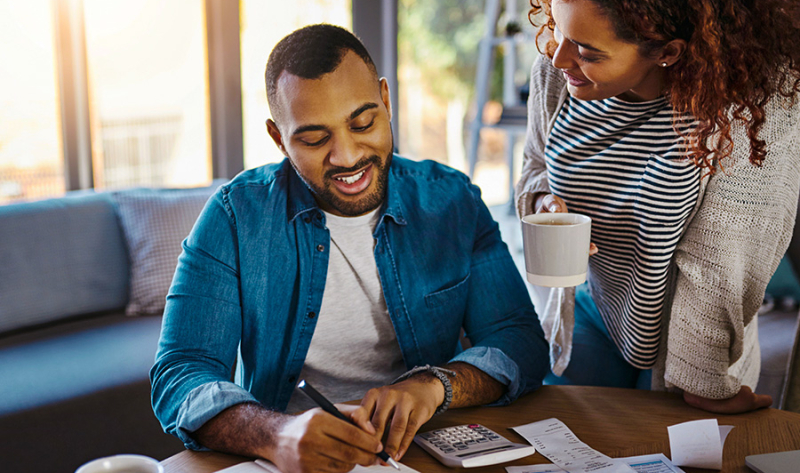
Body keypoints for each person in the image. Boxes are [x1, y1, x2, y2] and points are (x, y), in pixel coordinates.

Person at [151, 24, 548, 473]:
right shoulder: (235, 215)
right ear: (279, 138)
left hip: (421, 453)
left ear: (386, 100)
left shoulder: (452, 201)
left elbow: (520, 341)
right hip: (289, 459)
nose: (346, 156)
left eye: (363, 122)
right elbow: (180, 373)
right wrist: (275, 434)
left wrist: (435, 385)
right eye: (315, 138)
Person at [516, 0, 800, 414]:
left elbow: (725, 254)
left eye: (588, 51)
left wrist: (702, 378)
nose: (559, 57)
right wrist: (546, 203)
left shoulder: (751, 103)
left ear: (668, 52)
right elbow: (536, 166)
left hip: (689, 332)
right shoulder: (556, 77)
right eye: (558, 30)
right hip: (592, 309)